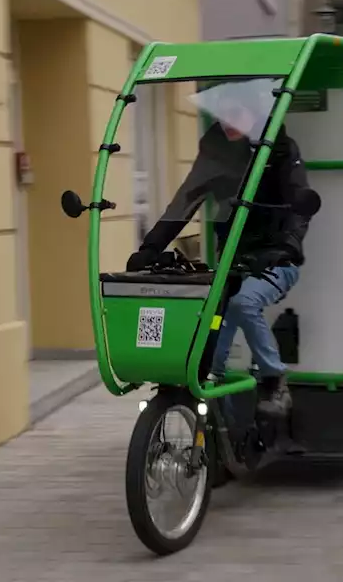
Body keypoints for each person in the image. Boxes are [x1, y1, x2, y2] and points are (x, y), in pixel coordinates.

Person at [127, 86, 315, 417]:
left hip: (275, 259)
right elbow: (185, 200)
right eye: (222, 113)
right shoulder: (215, 152)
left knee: (244, 302)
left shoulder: (280, 149)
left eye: (236, 113)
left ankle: (274, 379)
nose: (227, 121)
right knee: (213, 343)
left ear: (253, 115)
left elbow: (300, 205)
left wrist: (287, 245)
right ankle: (223, 428)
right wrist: (152, 245)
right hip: (232, 262)